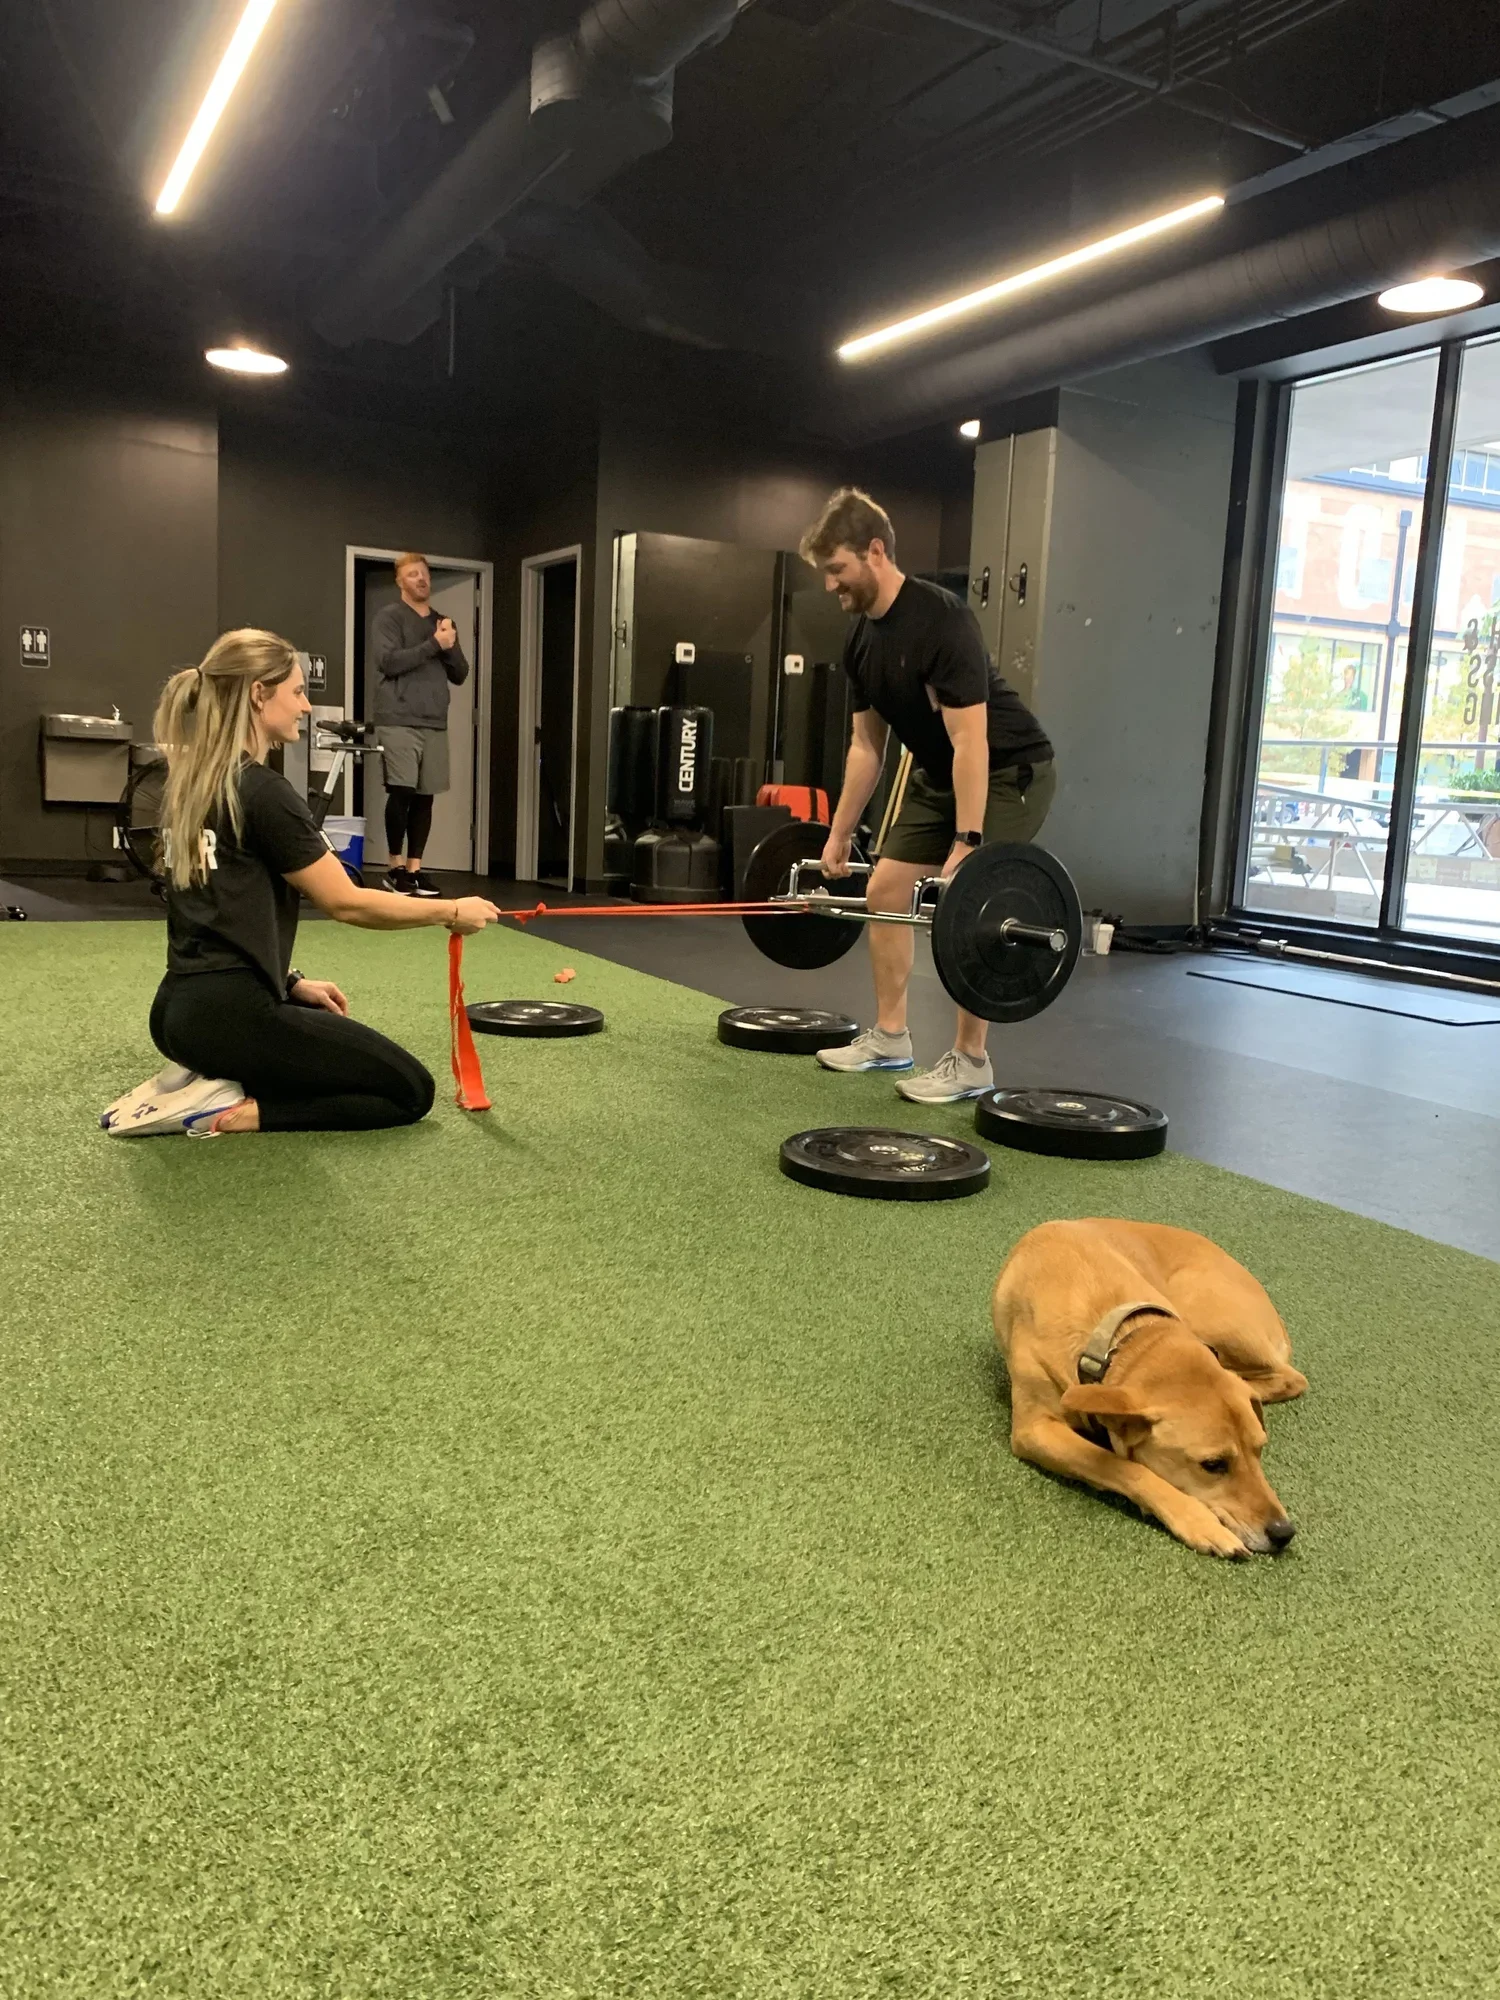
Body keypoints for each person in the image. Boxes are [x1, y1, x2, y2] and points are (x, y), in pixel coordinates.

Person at [100, 629, 500, 1138]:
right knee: (408, 1090)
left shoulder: (192, 786)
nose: (306, 707)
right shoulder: (264, 792)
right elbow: (347, 903)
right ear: (257, 694)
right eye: (296, 692)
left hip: (178, 1011)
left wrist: (288, 983)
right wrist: (450, 910)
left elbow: (214, 912)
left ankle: (205, 1069)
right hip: (232, 1018)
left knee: (326, 1056)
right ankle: (232, 1109)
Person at [799, 487, 1056, 1104]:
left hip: (1009, 770)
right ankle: (891, 1038)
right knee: (884, 889)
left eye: (837, 569)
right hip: (940, 773)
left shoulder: (942, 619)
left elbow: (973, 742)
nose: (831, 585)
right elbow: (867, 749)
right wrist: (836, 834)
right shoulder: (860, 641)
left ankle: (971, 1061)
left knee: (972, 901)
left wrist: (968, 842)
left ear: (876, 551)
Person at [371, 552, 470, 897]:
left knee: (426, 796)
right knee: (402, 790)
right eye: (413, 574)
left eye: (424, 574)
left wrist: (449, 644)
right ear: (400, 581)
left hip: (434, 721)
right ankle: (394, 867)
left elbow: (460, 673)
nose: (421, 579)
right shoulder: (389, 618)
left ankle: (415, 870)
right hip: (398, 719)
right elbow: (388, 662)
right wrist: (434, 644)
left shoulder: (443, 622)